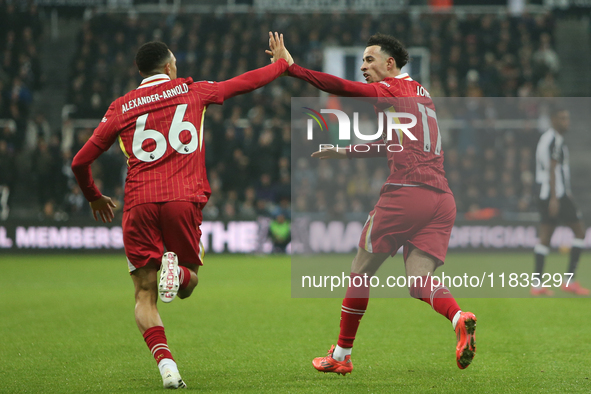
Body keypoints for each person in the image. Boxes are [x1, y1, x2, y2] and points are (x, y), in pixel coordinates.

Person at [71, 37, 291, 389]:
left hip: (140, 202)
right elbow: (245, 83)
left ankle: (167, 367)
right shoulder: (194, 91)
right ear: (170, 67)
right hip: (182, 199)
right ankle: (179, 274)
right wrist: (281, 63)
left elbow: (80, 161)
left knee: (144, 294)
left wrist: (94, 196)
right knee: (189, 281)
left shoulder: (121, 107)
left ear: (140, 72)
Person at [268, 32, 476, 374]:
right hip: (441, 198)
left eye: (369, 60)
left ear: (389, 64)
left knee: (360, 269)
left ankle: (340, 356)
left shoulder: (393, 89)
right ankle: (458, 317)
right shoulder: (421, 94)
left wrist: (293, 69)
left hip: (407, 192)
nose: (363, 67)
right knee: (418, 280)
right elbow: (393, 144)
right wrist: (346, 151)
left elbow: (344, 89)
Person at [531, 107, 589, 296]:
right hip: (554, 194)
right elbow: (553, 169)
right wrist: (556, 198)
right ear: (554, 120)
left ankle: (536, 284)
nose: (567, 122)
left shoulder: (547, 138)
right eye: (563, 118)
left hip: (545, 192)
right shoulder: (554, 140)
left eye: (568, 118)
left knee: (545, 237)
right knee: (580, 231)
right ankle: (569, 281)